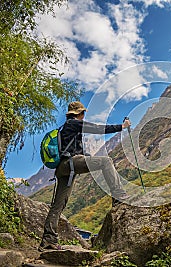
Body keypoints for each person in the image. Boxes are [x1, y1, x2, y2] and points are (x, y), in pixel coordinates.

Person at [39, 101, 130, 251]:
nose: (83, 115)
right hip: (70, 164)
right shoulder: (74, 124)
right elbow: (97, 129)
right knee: (106, 162)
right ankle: (119, 196)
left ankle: (48, 241)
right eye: (83, 113)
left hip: (62, 168)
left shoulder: (66, 128)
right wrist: (122, 127)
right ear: (79, 114)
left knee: (58, 205)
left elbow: (74, 150)